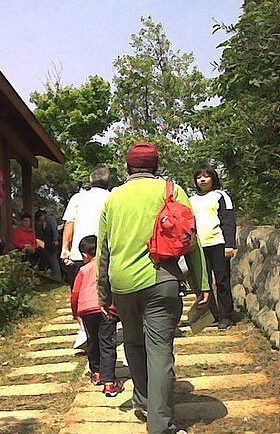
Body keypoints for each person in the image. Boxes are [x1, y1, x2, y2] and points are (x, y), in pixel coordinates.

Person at [97, 142, 210, 434]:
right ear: (156, 167)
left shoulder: (113, 198)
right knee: (159, 350)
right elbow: (191, 242)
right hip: (162, 279)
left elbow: (103, 250)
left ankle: (145, 400)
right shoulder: (171, 191)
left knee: (133, 343)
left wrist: (103, 292)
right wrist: (202, 285)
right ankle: (160, 425)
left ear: (128, 167)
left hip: (122, 283)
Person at [71, 235, 123, 396]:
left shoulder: (83, 270)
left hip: (86, 310)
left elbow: (75, 293)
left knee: (92, 341)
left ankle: (96, 373)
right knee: (107, 343)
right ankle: (109, 383)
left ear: (85, 255)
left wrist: (75, 311)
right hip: (106, 309)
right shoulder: (108, 266)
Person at [189, 164, 237, 330]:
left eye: (206, 176)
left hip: (218, 243)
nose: (202, 179)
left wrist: (230, 244)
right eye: (199, 177)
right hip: (198, 247)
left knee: (222, 280)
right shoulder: (191, 200)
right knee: (204, 283)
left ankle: (226, 316)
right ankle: (212, 315)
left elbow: (228, 221)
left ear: (213, 178)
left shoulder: (221, 196)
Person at [61, 168, 111, 288]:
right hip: (105, 253)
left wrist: (65, 248)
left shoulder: (77, 198)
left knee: (79, 290)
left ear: (91, 182)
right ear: (108, 182)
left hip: (80, 253)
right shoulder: (112, 197)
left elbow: (69, 223)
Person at [34, 208, 62, 281]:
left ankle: (57, 277)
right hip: (49, 242)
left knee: (53, 259)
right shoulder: (46, 220)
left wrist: (55, 239)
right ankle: (55, 275)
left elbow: (54, 228)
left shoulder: (50, 218)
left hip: (53, 242)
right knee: (50, 258)